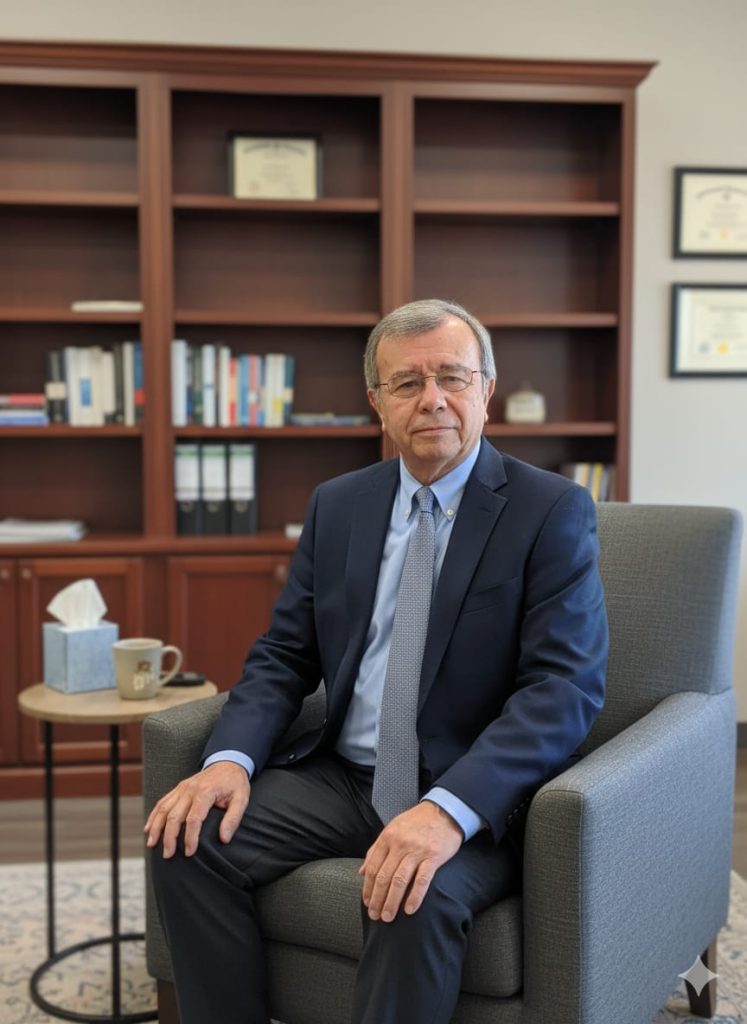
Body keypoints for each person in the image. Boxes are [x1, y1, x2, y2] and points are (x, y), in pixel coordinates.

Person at [146, 298, 608, 1024]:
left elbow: (563, 688)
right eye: (407, 383)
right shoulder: (339, 505)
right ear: (377, 403)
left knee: (407, 895)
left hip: (471, 789)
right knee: (187, 841)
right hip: (345, 777)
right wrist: (228, 761)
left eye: (452, 377)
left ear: (486, 389)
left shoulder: (550, 510)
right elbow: (284, 654)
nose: (433, 399)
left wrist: (445, 811)